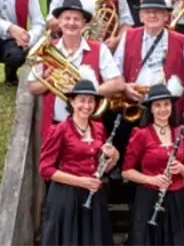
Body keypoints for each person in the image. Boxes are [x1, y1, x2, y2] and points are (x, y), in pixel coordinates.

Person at [113, 0, 184, 167]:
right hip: (135, 104)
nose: (152, 15)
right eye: (148, 11)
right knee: (128, 155)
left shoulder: (180, 40)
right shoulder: (128, 36)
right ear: (141, 16)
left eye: (158, 11)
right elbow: (116, 69)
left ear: (167, 16)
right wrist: (126, 86)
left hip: (165, 109)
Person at [28, 0, 125, 140]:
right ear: (59, 22)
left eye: (76, 19)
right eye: (66, 18)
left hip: (89, 127)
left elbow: (118, 83)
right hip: (55, 126)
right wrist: (47, 81)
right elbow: (32, 87)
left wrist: (87, 92)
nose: (71, 23)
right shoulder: (46, 50)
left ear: (84, 24)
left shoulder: (99, 49)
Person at [38, 74, 118, 245]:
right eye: (82, 100)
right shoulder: (59, 130)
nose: (87, 106)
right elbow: (45, 169)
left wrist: (114, 156)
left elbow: (103, 167)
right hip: (66, 198)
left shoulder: (99, 128)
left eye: (91, 101)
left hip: (93, 196)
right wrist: (81, 181)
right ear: (72, 102)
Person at [123, 81, 184, 246]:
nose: (163, 109)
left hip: (177, 200)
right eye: (158, 105)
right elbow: (126, 171)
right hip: (148, 199)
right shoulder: (140, 134)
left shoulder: (181, 132)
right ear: (151, 108)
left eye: (166, 104)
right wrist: (152, 179)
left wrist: (181, 168)